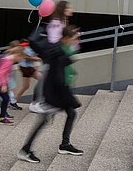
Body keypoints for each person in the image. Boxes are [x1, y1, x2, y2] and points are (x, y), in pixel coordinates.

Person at [19, 26, 84, 163]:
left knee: (71, 113)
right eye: (74, 38)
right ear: (66, 39)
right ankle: (25, 150)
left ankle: (65, 145)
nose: (76, 41)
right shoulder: (57, 51)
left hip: (56, 91)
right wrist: (70, 99)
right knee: (44, 120)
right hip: (53, 92)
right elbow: (58, 78)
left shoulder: (59, 49)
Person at [0, 42, 22, 125]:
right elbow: (0, 73)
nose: (20, 60)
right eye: (20, 57)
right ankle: (1, 117)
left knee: (3, 99)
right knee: (4, 99)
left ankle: (2, 116)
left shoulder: (8, 58)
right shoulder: (8, 61)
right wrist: (4, 85)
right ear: (17, 55)